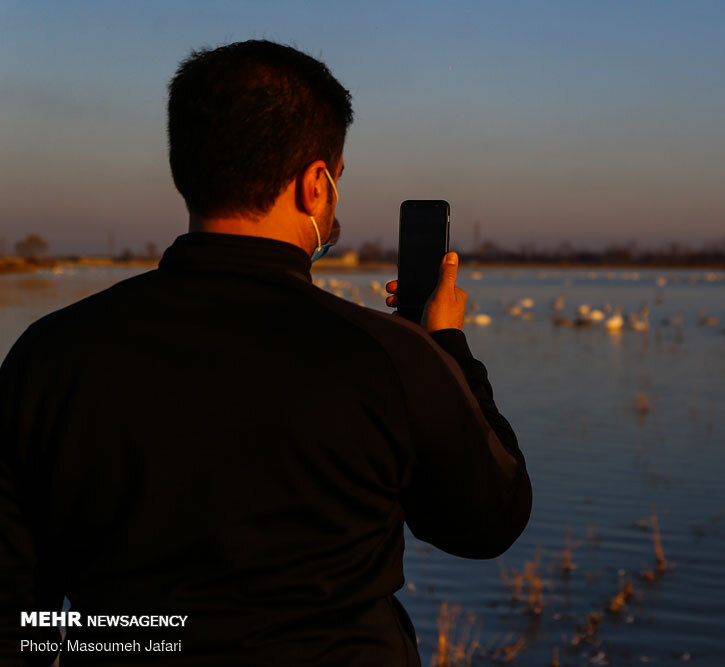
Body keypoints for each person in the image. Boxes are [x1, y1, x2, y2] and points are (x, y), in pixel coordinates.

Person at [0, 39, 531, 666]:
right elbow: (490, 519)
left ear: (186, 169)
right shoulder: (389, 356)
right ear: (316, 184)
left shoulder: (52, 355)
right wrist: (444, 345)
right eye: (336, 180)